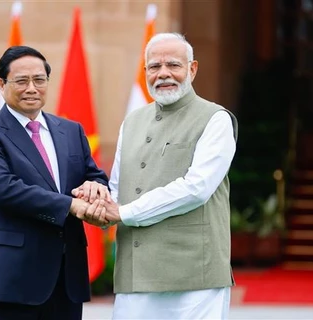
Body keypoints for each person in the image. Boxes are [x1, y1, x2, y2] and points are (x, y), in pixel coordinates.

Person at [0, 45, 109, 320]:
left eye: (39, 80)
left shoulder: (71, 130)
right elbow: (2, 189)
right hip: (9, 282)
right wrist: (71, 206)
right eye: (21, 81)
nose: (32, 88)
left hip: (65, 280)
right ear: (1, 84)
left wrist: (95, 186)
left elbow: (94, 174)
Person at [101, 32, 238, 319]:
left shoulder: (216, 119)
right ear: (146, 71)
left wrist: (123, 213)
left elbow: (196, 189)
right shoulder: (132, 121)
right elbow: (117, 185)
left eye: (173, 65)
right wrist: (99, 205)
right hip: (134, 273)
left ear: (193, 69)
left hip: (194, 277)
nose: (163, 74)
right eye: (154, 66)